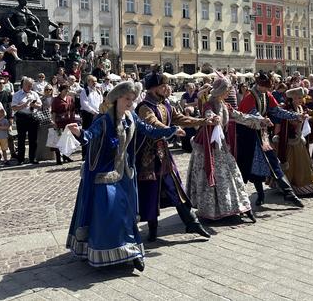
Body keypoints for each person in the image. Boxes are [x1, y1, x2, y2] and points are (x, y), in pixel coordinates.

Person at [66, 80, 184, 272]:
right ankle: (112, 252)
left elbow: (150, 131)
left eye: (132, 99)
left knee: (127, 216)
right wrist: (78, 132)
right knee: (110, 214)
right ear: (116, 98)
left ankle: (133, 252)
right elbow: (90, 135)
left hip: (126, 176)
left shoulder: (132, 118)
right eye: (126, 98)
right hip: (105, 176)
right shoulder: (104, 119)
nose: (130, 102)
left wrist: (171, 130)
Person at [135, 67, 215, 242]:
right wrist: (170, 130)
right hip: (148, 159)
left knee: (176, 188)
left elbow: (180, 118)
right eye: (164, 85)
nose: (167, 88)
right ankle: (153, 229)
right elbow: (152, 123)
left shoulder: (165, 104)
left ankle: (191, 222)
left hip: (164, 155)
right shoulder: (144, 107)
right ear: (153, 88)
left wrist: (203, 121)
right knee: (150, 193)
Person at [186, 76, 264, 222]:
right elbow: (208, 114)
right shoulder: (210, 103)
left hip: (221, 146)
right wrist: (213, 118)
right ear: (221, 90)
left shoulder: (224, 105)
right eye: (227, 90)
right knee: (213, 175)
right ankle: (212, 210)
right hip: (208, 147)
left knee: (230, 173)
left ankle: (233, 206)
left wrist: (260, 121)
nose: (229, 93)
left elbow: (240, 116)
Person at [236, 72, 305, 207]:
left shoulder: (266, 95)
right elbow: (251, 113)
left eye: (269, 87)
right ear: (259, 85)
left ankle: (289, 193)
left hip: (262, 134)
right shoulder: (250, 96)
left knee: (273, 162)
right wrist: (263, 119)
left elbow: (277, 111)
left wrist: (295, 116)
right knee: (255, 166)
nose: (268, 90)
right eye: (266, 87)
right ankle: (261, 195)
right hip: (248, 135)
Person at [274, 87, 313, 197]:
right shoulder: (287, 109)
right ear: (292, 98)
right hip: (290, 142)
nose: (300, 100)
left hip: (299, 140)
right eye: (298, 98)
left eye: (301, 97)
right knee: (293, 165)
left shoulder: (301, 107)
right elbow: (288, 123)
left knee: (305, 164)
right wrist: (300, 119)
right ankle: (291, 187)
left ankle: (312, 187)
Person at [11, 77, 42, 164]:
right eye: (28, 85)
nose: (30, 87)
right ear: (23, 85)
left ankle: (32, 158)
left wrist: (34, 105)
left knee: (33, 139)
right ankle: (21, 159)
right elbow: (13, 107)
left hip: (33, 117)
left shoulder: (34, 94)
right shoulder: (17, 94)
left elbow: (40, 105)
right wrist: (24, 105)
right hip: (22, 118)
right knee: (21, 139)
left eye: (31, 85)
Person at [51, 84, 76, 165]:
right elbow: (54, 112)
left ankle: (66, 156)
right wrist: (54, 122)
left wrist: (73, 120)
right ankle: (58, 158)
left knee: (67, 140)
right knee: (59, 140)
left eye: (67, 90)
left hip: (68, 122)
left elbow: (72, 110)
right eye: (65, 90)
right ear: (61, 90)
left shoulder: (69, 98)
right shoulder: (56, 100)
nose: (67, 92)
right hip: (59, 123)